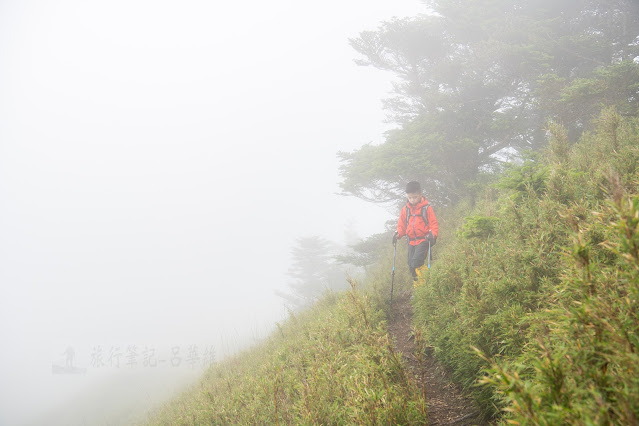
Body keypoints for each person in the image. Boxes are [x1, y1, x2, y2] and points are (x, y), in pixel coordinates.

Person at [393, 181, 439, 280]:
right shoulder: (405, 209)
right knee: (411, 265)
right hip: (410, 241)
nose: (412, 200)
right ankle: (419, 287)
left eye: (415, 197)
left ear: (420, 195)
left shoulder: (427, 208)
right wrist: (398, 234)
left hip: (423, 240)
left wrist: (433, 235)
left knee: (416, 262)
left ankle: (428, 281)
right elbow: (401, 225)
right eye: (410, 198)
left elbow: (433, 224)